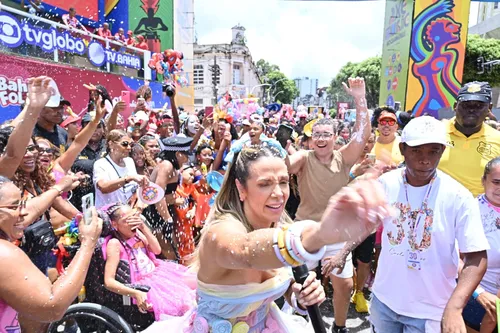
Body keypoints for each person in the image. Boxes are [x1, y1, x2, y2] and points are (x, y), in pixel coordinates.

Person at [142, 144, 391, 333]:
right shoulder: (220, 231)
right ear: (241, 188)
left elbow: (277, 287)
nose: (278, 194)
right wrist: (322, 233)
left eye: (283, 182)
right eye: (264, 184)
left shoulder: (281, 225)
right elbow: (247, 251)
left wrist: (298, 297)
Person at [370, 116, 489, 333]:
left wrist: (454, 308)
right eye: (417, 151)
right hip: (384, 301)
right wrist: (342, 251)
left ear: (442, 151)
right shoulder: (385, 184)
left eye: (433, 151)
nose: (425, 160)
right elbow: (366, 224)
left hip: (430, 310)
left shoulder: (458, 196)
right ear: (403, 149)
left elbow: (476, 256)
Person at [287, 77, 371, 333]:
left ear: (336, 137)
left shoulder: (345, 158)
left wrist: (359, 99)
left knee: (344, 285)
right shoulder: (303, 157)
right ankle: (290, 322)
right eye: (316, 135)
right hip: (306, 232)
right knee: (298, 285)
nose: (321, 139)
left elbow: (363, 132)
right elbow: (284, 167)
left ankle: (340, 326)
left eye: (326, 135)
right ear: (310, 139)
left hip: (336, 234)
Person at [0, 176, 102, 331]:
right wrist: (88, 243)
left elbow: (32, 208)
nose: (23, 213)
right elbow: (52, 307)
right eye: (15, 207)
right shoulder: (3, 253)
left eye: (22, 204)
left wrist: (59, 187)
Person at [103, 203, 196, 320]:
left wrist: (143, 227)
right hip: (143, 285)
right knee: (177, 307)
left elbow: (157, 250)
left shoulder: (137, 234)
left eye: (134, 218)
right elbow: (109, 282)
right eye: (127, 220)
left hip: (159, 274)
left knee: (191, 294)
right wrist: (135, 293)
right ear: (114, 225)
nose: (133, 223)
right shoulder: (115, 244)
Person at [438, 81, 500, 197]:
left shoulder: (497, 139)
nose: (471, 110)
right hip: (436, 208)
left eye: (479, 106)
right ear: (455, 106)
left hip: (478, 211)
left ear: (489, 108)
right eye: (466, 105)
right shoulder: (436, 131)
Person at [462, 157, 500, 333]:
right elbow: (452, 258)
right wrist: (479, 293)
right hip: (473, 297)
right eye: (496, 182)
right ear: (483, 180)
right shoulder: (469, 211)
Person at [93, 130, 148, 208]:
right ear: (111, 144)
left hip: (128, 212)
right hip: (108, 215)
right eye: (125, 144)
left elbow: (135, 187)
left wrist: (137, 197)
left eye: (130, 145)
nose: (129, 148)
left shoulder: (129, 161)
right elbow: (103, 187)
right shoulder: (101, 164)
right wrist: (127, 178)